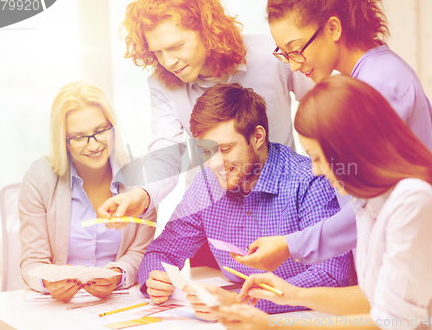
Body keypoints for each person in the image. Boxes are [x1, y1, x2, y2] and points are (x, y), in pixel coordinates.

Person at [212, 75, 432, 330]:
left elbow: (393, 322)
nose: (316, 170)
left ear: (351, 146)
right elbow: (374, 299)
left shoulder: (414, 200)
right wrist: (290, 294)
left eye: (318, 157)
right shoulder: (368, 203)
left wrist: (271, 325)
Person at [233, 0, 432, 272]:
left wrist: (291, 245)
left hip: (406, 261)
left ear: (333, 28)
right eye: (285, 53)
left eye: (297, 49)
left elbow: (368, 206)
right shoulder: (381, 72)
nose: (295, 65)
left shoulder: (377, 87)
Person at [138, 83, 351, 320]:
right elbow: (162, 251)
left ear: (257, 137)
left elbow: (332, 274)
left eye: (226, 149)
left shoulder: (308, 180)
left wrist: (246, 303)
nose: (215, 163)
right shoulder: (207, 183)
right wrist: (156, 278)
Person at [97, 0, 312, 221]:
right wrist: (142, 194)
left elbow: (323, 113)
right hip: (214, 214)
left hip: (284, 204)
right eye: (158, 53)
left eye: (176, 46)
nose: (168, 62)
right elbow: (167, 149)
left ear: (207, 30)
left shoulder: (273, 56)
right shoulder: (161, 84)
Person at [19, 81, 156, 302]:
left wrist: (118, 275)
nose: (93, 146)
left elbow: (141, 251)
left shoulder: (141, 178)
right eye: (79, 137)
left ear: (113, 128)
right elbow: (32, 260)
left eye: (101, 131)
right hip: (58, 306)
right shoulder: (39, 177)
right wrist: (47, 282)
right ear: (64, 142)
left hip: (120, 301)